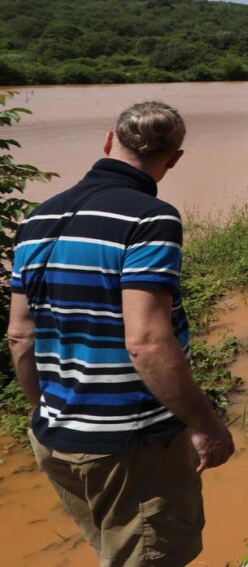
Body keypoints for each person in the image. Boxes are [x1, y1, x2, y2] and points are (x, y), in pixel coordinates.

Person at [6, 101, 234, 566]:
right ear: (173, 159)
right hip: (131, 445)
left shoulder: (36, 219)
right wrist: (205, 424)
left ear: (108, 142)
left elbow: (20, 336)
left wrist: (45, 413)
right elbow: (147, 341)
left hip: (54, 438)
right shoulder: (150, 218)